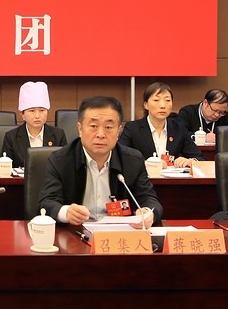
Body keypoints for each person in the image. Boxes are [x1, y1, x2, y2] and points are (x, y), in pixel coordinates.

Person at [38, 96, 162, 228]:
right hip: (76, 231)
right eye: (93, 126)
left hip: (118, 233)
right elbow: (47, 202)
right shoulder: (60, 160)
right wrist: (66, 212)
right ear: (80, 129)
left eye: (108, 127)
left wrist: (148, 213)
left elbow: (149, 199)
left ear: (118, 131)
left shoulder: (133, 160)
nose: (101, 134)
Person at [119, 82, 201, 167]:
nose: (162, 106)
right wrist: (145, 164)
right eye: (156, 100)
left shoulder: (179, 128)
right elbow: (119, 157)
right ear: (146, 105)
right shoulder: (132, 128)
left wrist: (190, 161)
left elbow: (199, 157)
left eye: (167, 100)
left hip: (171, 175)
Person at [1, 81, 67, 169]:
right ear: (22, 114)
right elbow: (5, 168)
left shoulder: (58, 135)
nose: (37, 116)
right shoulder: (11, 137)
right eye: (32, 111)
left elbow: (66, 165)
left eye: (42, 110)